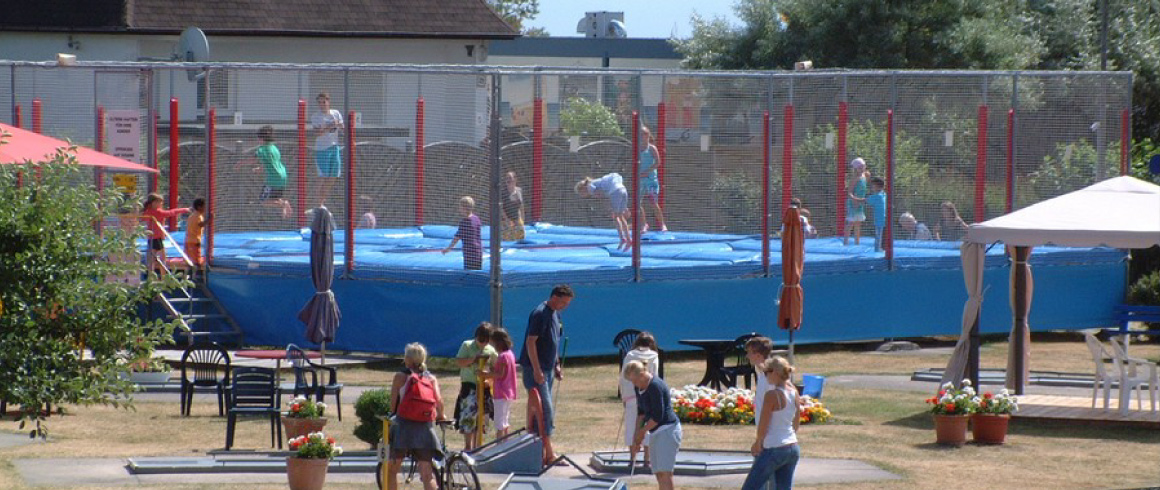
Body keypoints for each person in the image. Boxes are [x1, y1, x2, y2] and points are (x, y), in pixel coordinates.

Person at [518, 284, 574, 467]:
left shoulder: (556, 315)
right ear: (555, 298)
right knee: (545, 411)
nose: (565, 306)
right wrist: (536, 369)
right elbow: (531, 342)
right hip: (536, 369)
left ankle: (537, 451)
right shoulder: (540, 313)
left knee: (540, 412)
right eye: (563, 302)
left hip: (549, 369)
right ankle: (549, 454)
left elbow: (554, 341)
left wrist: (556, 364)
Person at [387, 343, 446, 490]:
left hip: (403, 426)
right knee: (427, 475)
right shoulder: (431, 378)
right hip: (425, 428)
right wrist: (441, 415)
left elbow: (393, 405)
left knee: (391, 470)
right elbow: (439, 401)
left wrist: (391, 416)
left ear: (407, 359)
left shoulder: (400, 376)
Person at [741, 357, 800, 490]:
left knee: (751, 487)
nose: (765, 374)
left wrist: (758, 442)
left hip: (774, 447)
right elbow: (796, 422)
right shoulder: (794, 392)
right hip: (792, 446)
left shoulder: (772, 395)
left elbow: (763, 424)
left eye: (767, 371)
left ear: (775, 373)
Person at [624, 359, 681, 490]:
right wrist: (636, 436)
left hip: (668, 430)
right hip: (655, 432)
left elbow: (658, 416)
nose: (634, 384)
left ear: (642, 374)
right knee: (658, 472)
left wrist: (642, 432)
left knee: (665, 473)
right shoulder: (638, 387)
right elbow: (641, 413)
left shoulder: (655, 386)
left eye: (635, 380)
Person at [454, 322, 497, 450]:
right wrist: (473, 359)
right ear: (476, 336)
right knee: (468, 417)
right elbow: (459, 362)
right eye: (480, 340)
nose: (482, 343)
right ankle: (468, 447)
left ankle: (478, 446)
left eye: (486, 341)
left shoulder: (491, 350)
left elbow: (496, 370)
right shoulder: (467, 345)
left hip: (483, 388)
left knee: (481, 419)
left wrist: (488, 379)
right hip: (469, 386)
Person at [619, 332, 660, 466]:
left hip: (631, 396)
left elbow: (623, 378)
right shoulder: (654, 356)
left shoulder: (630, 355)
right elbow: (656, 376)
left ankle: (632, 459)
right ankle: (647, 459)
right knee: (647, 425)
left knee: (631, 425)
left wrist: (624, 397)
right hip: (648, 394)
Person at [479, 328, 517, 439]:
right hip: (509, 392)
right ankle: (505, 443)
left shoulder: (502, 356)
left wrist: (484, 374)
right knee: (505, 420)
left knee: (499, 422)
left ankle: (499, 444)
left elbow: (499, 374)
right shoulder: (510, 354)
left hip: (501, 392)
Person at [575, 173, 631, 250]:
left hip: (615, 192)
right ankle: (628, 239)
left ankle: (622, 238)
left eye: (581, 194)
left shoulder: (590, 187)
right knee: (621, 217)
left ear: (583, 189)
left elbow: (602, 196)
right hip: (623, 190)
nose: (583, 196)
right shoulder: (598, 182)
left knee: (616, 217)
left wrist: (610, 208)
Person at [141, 193, 190, 276]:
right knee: (162, 258)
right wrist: (185, 209)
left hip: (151, 237)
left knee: (152, 259)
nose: (161, 204)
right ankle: (163, 277)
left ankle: (151, 276)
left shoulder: (147, 211)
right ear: (154, 203)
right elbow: (171, 212)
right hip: (157, 238)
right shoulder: (157, 212)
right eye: (160, 203)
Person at [310, 92, 344, 207]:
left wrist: (337, 124)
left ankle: (322, 201)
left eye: (324, 102)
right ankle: (317, 204)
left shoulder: (336, 113)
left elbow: (342, 128)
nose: (322, 104)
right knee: (322, 177)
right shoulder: (316, 116)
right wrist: (328, 127)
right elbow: (318, 133)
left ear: (328, 102)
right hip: (322, 149)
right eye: (319, 102)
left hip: (334, 147)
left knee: (334, 175)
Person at [253, 125, 291, 219]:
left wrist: (240, 163)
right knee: (276, 199)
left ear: (261, 139)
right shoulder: (274, 148)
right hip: (282, 176)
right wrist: (260, 169)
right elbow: (269, 163)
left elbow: (253, 160)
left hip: (273, 180)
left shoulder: (262, 149)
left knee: (263, 200)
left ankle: (284, 204)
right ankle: (283, 205)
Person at [638, 126, 668, 233]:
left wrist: (648, 171)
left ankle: (662, 224)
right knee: (638, 202)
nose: (643, 137)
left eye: (645, 134)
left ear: (648, 136)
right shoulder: (637, 149)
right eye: (641, 134)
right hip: (641, 180)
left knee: (653, 202)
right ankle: (644, 224)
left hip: (651, 179)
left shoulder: (651, 148)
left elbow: (658, 162)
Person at [441, 196, 483, 270]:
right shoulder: (476, 219)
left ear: (464, 208)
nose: (459, 209)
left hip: (469, 254)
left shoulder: (465, 222)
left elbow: (457, 237)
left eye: (460, 207)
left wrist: (448, 248)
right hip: (478, 251)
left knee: (469, 273)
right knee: (477, 272)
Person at [744, 336, 776, 419]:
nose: (747, 356)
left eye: (749, 353)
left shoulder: (771, 374)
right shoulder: (758, 369)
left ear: (758, 355)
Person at [843, 158, 868, 246]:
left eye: (863, 166)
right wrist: (854, 201)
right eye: (859, 167)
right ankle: (845, 242)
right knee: (851, 222)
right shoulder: (855, 178)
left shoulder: (864, 176)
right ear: (855, 169)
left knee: (858, 223)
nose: (862, 168)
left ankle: (857, 242)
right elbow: (849, 192)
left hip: (860, 202)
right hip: (854, 202)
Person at [184, 198, 206, 278]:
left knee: (190, 260)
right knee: (197, 260)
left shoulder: (192, 215)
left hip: (188, 241)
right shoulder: (198, 216)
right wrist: (209, 219)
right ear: (199, 207)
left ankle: (188, 276)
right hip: (194, 241)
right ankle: (197, 277)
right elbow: (200, 224)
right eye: (204, 206)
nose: (205, 208)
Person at [501, 171, 525, 241]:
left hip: (517, 219)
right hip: (506, 220)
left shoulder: (519, 190)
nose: (508, 180)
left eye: (510, 178)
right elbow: (501, 208)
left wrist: (522, 220)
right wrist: (507, 220)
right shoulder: (503, 192)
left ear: (515, 179)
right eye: (506, 178)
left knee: (520, 239)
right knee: (508, 239)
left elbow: (521, 206)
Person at [866, 177, 887, 252]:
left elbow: (865, 200)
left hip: (880, 221)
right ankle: (882, 249)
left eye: (873, 186)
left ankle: (878, 251)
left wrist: (853, 198)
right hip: (885, 220)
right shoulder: (884, 194)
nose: (871, 187)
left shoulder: (877, 196)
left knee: (878, 236)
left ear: (877, 187)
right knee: (883, 237)